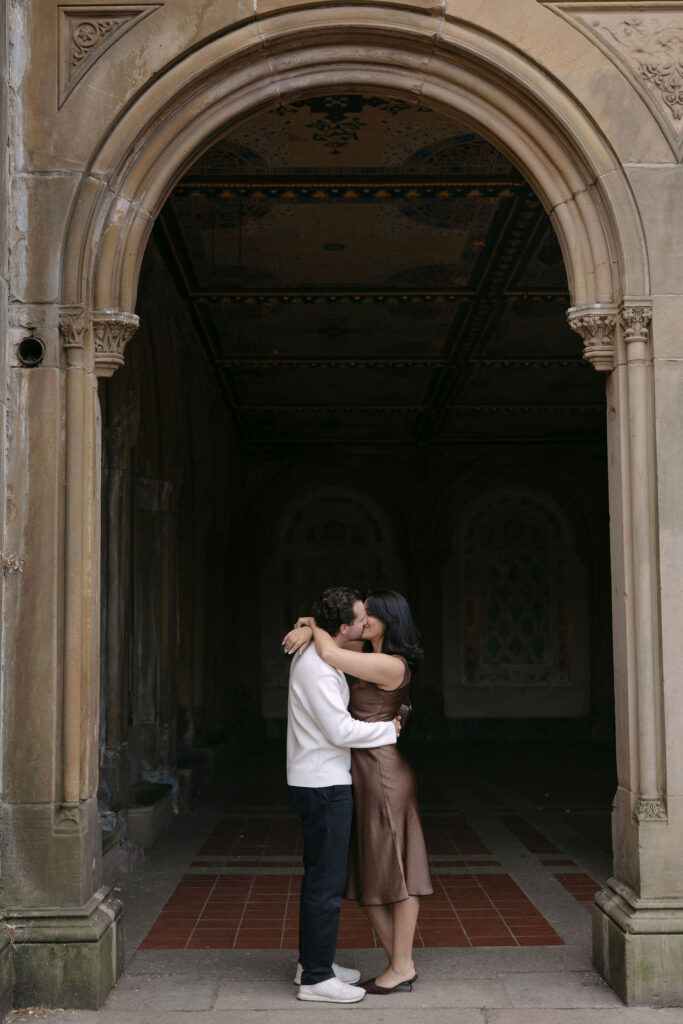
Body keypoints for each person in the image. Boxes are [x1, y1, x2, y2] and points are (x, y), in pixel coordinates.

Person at [284, 589, 432, 995]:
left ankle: (401, 965)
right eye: (361, 615)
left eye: (372, 615)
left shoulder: (389, 663)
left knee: (398, 871)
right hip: (356, 772)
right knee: (365, 875)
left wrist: (313, 627)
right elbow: (333, 647)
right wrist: (312, 626)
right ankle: (396, 963)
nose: (363, 621)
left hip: (383, 773)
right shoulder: (360, 654)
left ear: (389, 622)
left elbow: (331, 654)